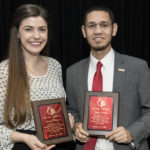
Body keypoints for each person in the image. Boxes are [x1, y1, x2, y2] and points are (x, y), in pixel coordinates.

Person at [66, 6, 150, 150]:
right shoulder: (73, 72)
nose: (98, 31)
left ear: (114, 29)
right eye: (91, 26)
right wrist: (77, 126)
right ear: (84, 31)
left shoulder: (137, 67)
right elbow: (72, 110)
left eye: (104, 25)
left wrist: (131, 133)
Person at [0, 4, 74, 150]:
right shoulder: (4, 71)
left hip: (60, 145)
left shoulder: (55, 66)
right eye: (28, 29)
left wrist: (66, 119)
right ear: (18, 33)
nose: (37, 36)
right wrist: (24, 137)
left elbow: (57, 109)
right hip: (23, 146)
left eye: (42, 29)